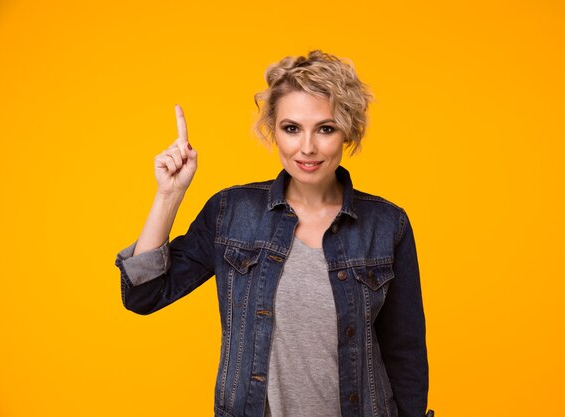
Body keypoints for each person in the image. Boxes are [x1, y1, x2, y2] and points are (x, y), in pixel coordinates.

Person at [115, 50, 431, 417]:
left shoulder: (386, 224)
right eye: (291, 128)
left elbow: (405, 352)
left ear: (348, 130)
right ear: (273, 130)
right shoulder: (231, 213)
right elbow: (144, 295)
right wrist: (170, 194)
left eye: (325, 128)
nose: (307, 147)